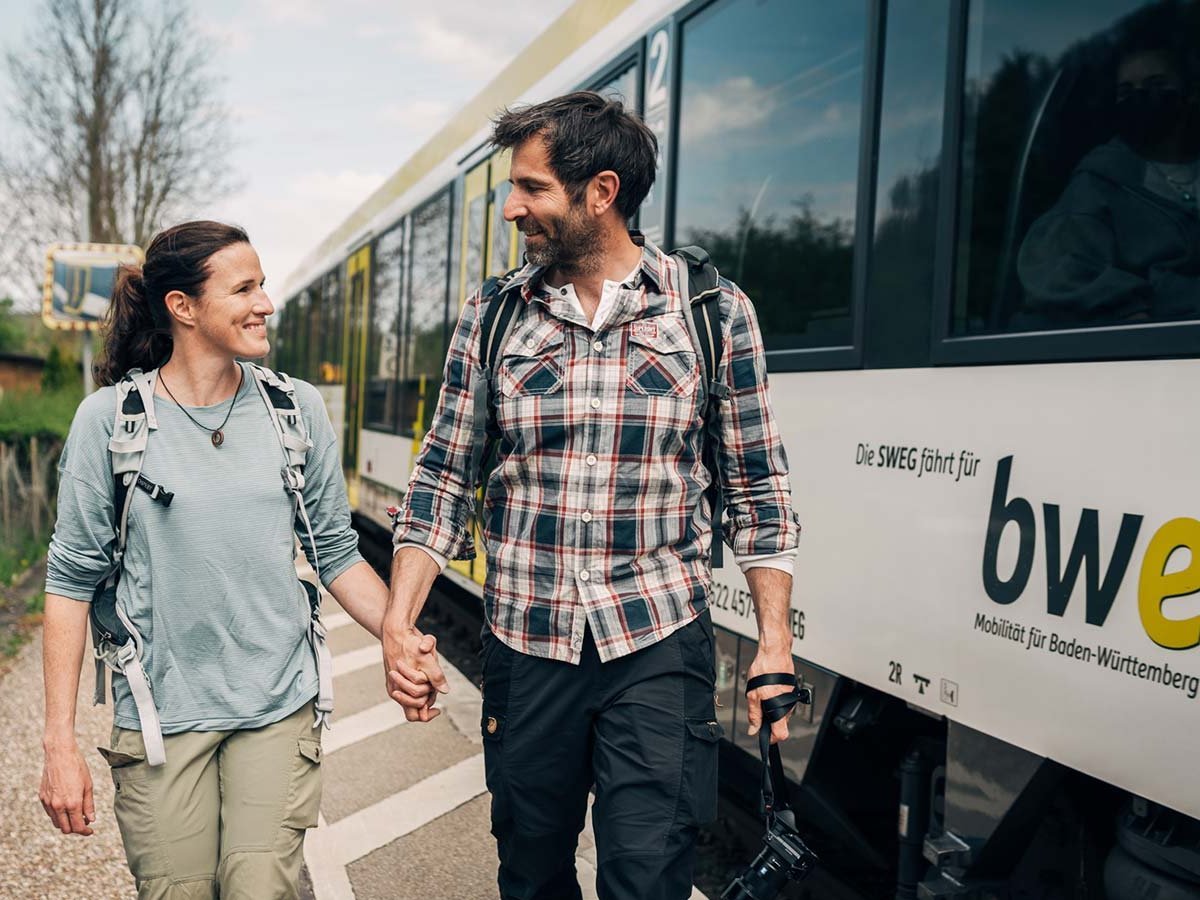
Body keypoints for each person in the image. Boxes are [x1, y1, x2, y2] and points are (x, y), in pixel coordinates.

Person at [383, 92, 802, 900]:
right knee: (532, 874)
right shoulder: (495, 315)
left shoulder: (711, 313)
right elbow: (442, 476)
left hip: (655, 640)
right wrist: (400, 624)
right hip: (526, 641)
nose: (512, 209)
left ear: (600, 193)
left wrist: (774, 644)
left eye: (532, 188)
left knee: (647, 876)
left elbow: (758, 487)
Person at [39, 221, 391, 899]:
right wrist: (59, 743)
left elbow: (337, 552)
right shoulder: (109, 422)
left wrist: (400, 636)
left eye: (263, 285)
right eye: (246, 288)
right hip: (159, 718)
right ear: (184, 307)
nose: (266, 303)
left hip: (278, 706)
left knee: (259, 887)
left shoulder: (296, 412)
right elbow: (69, 582)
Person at [1018, 32, 1200, 325]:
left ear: (1190, 94)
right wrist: (1129, 310)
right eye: (1127, 91)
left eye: (1156, 85)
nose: (1140, 97)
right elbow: (1058, 268)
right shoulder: (1097, 183)